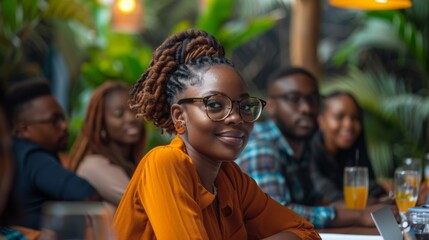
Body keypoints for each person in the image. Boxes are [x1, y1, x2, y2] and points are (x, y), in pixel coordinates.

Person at [113, 29, 320, 239]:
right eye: (214, 104)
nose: (236, 117)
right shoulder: (164, 163)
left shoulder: (231, 179)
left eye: (244, 106)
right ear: (179, 117)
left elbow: (306, 232)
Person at [237, 67, 388, 229]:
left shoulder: (301, 148)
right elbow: (274, 214)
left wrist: (370, 206)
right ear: (271, 106)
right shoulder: (262, 146)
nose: (306, 108)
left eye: (313, 99)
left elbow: (313, 202)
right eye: (294, 99)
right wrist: (359, 216)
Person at [4, 79, 100, 230]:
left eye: (63, 118)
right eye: (54, 120)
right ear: (23, 129)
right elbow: (86, 193)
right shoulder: (32, 156)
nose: (64, 125)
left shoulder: (14, 154)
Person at [68, 81, 146, 208]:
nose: (131, 118)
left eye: (134, 110)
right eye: (118, 114)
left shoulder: (129, 164)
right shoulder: (94, 165)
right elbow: (143, 204)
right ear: (101, 124)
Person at [310, 91, 387, 203]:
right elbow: (327, 195)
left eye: (355, 118)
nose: (349, 125)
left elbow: (372, 187)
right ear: (321, 121)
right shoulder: (308, 153)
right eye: (339, 117)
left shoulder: (352, 152)